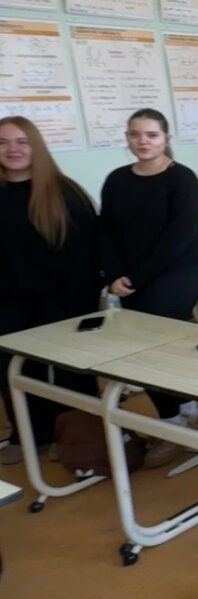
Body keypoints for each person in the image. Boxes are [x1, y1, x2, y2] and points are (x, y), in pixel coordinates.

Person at [99, 108, 198, 467]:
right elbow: (107, 231)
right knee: (144, 349)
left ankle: (174, 422)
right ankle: (186, 411)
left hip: (177, 275)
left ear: (166, 139)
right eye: (135, 135)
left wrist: (136, 278)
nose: (142, 141)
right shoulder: (117, 179)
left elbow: (179, 238)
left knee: (154, 349)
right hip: (131, 279)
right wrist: (114, 274)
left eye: (151, 135)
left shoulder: (182, 179)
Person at [0, 117, 103, 465]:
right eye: (3, 142)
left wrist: (77, 304)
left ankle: (72, 433)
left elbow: (86, 254)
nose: (12, 149)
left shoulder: (65, 192)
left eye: (21, 142)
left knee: (68, 371)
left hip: (63, 299)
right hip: (9, 301)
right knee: (12, 368)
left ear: (36, 147)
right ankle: (31, 432)